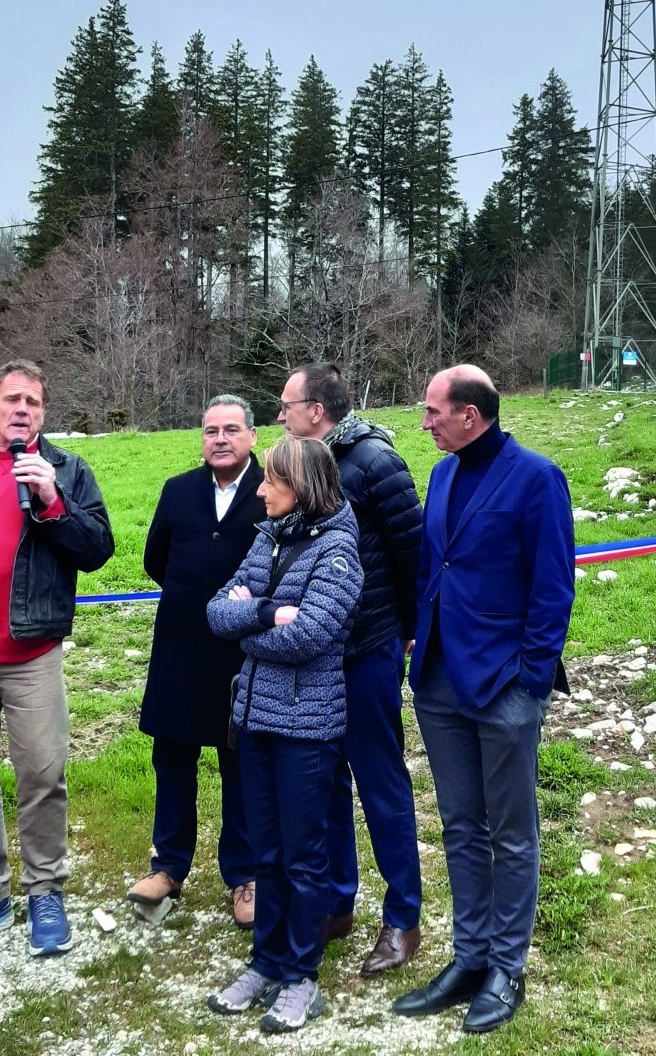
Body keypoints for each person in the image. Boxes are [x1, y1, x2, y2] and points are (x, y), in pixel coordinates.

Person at [393, 364, 575, 1035]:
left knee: (511, 832)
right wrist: (418, 640)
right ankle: (469, 959)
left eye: (434, 410)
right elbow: (428, 566)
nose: (425, 420)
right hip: (439, 679)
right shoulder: (440, 476)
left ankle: (507, 966)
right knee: (462, 825)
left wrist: (529, 681)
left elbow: (553, 587)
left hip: (503, 686)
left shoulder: (535, 478)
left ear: (470, 414)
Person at [206, 436, 364, 1035]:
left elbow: (312, 636)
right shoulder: (268, 536)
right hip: (255, 719)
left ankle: (301, 975)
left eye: (271, 481)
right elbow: (219, 612)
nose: (261, 489)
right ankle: (265, 963)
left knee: (303, 857)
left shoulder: (339, 552)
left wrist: (250, 620)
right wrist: (268, 613)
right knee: (264, 852)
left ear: (301, 488)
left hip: (306, 727)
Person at [277, 362, 423, 975]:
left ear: (317, 410)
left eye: (287, 404)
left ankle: (403, 918)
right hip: (316, 653)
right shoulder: (297, 464)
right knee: (325, 779)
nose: (279, 414)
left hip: (368, 647)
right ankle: (338, 903)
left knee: (379, 779)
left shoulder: (373, 462)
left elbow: (414, 553)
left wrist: (411, 636)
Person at [0, 358, 114, 954]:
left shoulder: (67, 468)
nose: (22, 411)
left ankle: (44, 892)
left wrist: (51, 500)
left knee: (41, 774)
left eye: (33, 402)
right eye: (12, 399)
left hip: (31, 649)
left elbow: (97, 550)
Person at [129, 396, 262, 929]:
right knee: (174, 758)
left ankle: (245, 875)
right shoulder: (177, 490)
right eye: (211, 430)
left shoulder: (272, 491)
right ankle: (168, 867)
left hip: (243, 653)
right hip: (181, 648)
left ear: (253, 436)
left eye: (232, 429)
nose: (221, 439)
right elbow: (155, 558)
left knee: (240, 764)